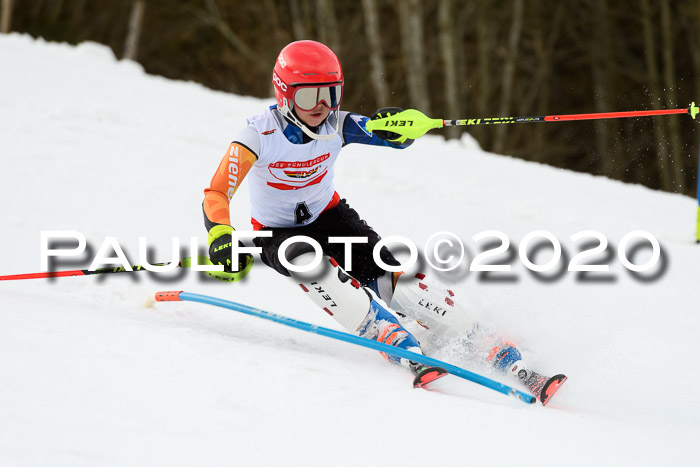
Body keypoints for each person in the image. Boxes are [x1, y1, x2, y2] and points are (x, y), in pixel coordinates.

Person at [202, 40, 565, 401]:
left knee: (396, 280)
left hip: (329, 217)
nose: (323, 106)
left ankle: (480, 339)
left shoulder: (336, 125)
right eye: (309, 97)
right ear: (283, 93)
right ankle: (382, 330)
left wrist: (399, 129)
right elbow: (217, 193)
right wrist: (220, 233)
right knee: (305, 260)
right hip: (275, 232)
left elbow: (385, 134)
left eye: (331, 93)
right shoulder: (257, 135)